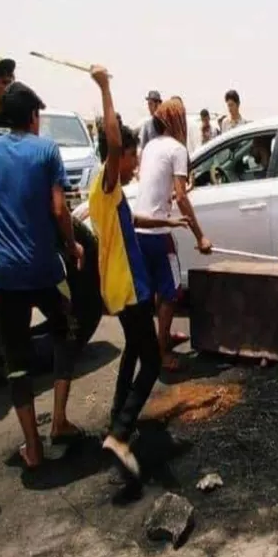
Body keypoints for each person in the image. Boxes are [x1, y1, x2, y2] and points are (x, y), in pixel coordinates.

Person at [0, 81, 84, 468]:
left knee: (16, 360)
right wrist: (73, 246)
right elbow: (60, 211)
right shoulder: (46, 150)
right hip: (42, 268)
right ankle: (59, 421)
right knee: (66, 330)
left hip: (2, 274)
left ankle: (33, 448)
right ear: (34, 117)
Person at [88, 66, 190, 481]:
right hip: (128, 288)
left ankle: (116, 418)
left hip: (120, 288)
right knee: (151, 360)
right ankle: (121, 433)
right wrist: (106, 87)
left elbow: (136, 221)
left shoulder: (107, 196)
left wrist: (170, 224)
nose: (134, 165)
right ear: (121, 155)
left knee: (133, 349)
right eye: (131, 156)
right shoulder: (107, 182)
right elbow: (113, 143)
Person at [133, 96, 212, 371]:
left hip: (140, 230)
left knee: (157, 289)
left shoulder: (151, 146)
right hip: (159, 234)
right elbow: (180, 196)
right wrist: (200, 235)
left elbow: (159, 187)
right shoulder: (177, 149)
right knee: (171, 293)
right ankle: (161, 351)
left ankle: (162, 337)